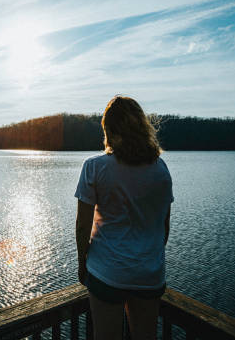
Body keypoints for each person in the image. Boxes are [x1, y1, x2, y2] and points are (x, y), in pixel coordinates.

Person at [75, 96, 173, 340]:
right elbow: (164, 226)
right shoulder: (160, 169)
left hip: (107, 272)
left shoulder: (94, 167)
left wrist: (81, 263)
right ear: (142, 127)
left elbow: (82, 226)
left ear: (109, 130)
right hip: (149, 273)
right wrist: (146, 257)